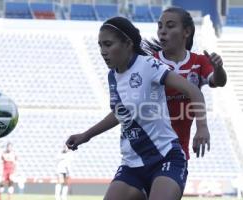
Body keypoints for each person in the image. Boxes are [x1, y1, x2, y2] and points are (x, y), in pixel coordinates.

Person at [66, 16, 210, 200]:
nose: (103, 51)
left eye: (108, 44)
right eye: (100, 45)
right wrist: (87, 135)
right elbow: (121, 113)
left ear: (127, 43)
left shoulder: (148, 65)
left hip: (165, 157)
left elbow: (193, 91)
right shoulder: (113, 77)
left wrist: (202, 127)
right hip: (132, 165)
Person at [143, 6, 227, 159]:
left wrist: (219, 68)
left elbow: (218, 81)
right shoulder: (150, 63)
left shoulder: (199, 61)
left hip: (178, 150)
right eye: (160, 26)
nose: (162, 31)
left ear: (186, 32)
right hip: (148, 148)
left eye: (170, 26)